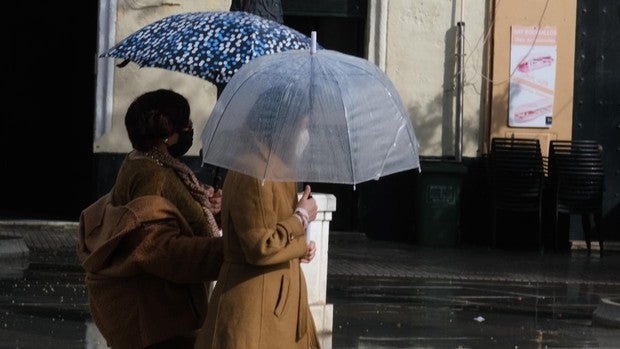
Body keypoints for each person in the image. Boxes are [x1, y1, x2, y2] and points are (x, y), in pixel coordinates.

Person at [77, 89, 224, 349]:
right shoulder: (151, 175)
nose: (191, 129)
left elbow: (173, 212)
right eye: (185, 123)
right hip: (160, 319)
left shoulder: (151, 163)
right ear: (167, 133)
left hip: (162, 317)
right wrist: (228, 251)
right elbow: (155, 247)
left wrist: (207, 209)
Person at [194, 88, 320, 349]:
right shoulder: (254, 171)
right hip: (254, 312)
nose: (304, 135)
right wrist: (300, 218)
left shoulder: (276, 168)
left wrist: (298, 248)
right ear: (282, 125)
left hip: (275, 308)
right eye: (301, 126)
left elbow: (275, 232)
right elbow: (260, 247)